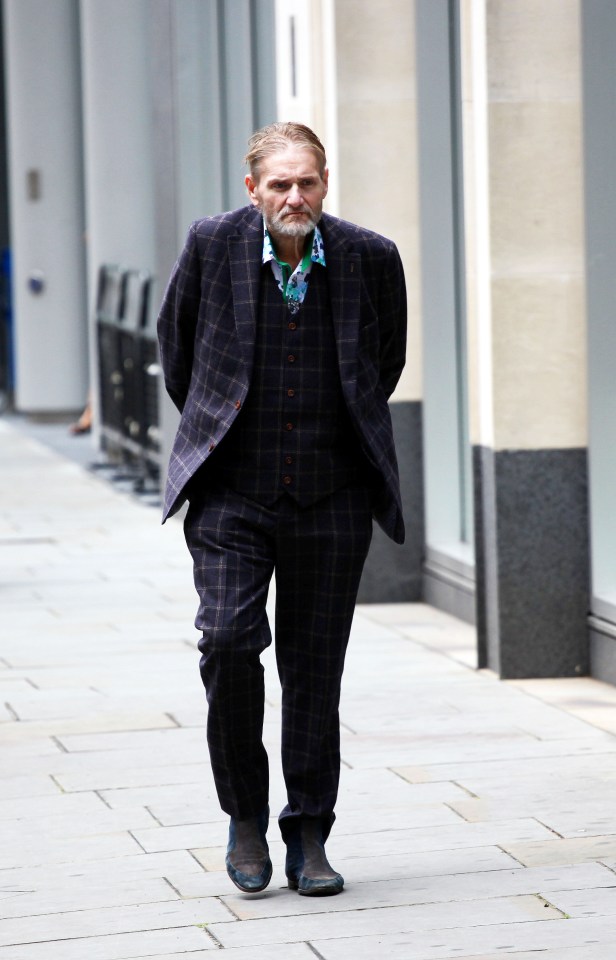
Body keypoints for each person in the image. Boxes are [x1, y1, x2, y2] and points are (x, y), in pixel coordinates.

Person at [157, 121, 407, 896]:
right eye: (279, 184)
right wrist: (217, 430)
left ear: (325, 183)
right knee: (228, 644)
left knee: (313, 673)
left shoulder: (371, 257)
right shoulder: (212, 244)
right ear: (252, 188)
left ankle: (308, 836)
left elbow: (383, 364)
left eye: (307, 183)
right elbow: (179, 351)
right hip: (233, 492)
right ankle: (244, 817)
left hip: (331, 496)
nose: (294, 197)